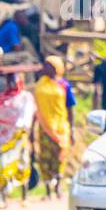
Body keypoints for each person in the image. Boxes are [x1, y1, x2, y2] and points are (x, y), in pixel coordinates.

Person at [0, 72, 36, 208]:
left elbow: (28, 118)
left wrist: (24, 132)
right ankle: (2, 198)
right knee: (4, 165)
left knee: (22, 165)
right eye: (9, 80)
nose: (12, 83)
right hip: (3, 138)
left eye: (14, 79)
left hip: (19, 137)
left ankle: (24, 196)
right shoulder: (1, 98)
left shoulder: (26, 97)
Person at [33, 55, 76, 198]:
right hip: (45, 126)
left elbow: (70, 108)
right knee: (45, 158)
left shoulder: (64, 85)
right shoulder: (40, 85)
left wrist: (72, 129)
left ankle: (57, 186)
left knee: (59, 157)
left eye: (49, 66)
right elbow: (36, 108)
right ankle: (47, 189)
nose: (46, 68)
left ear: (57, 68)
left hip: (61, 126)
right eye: (45, 65)